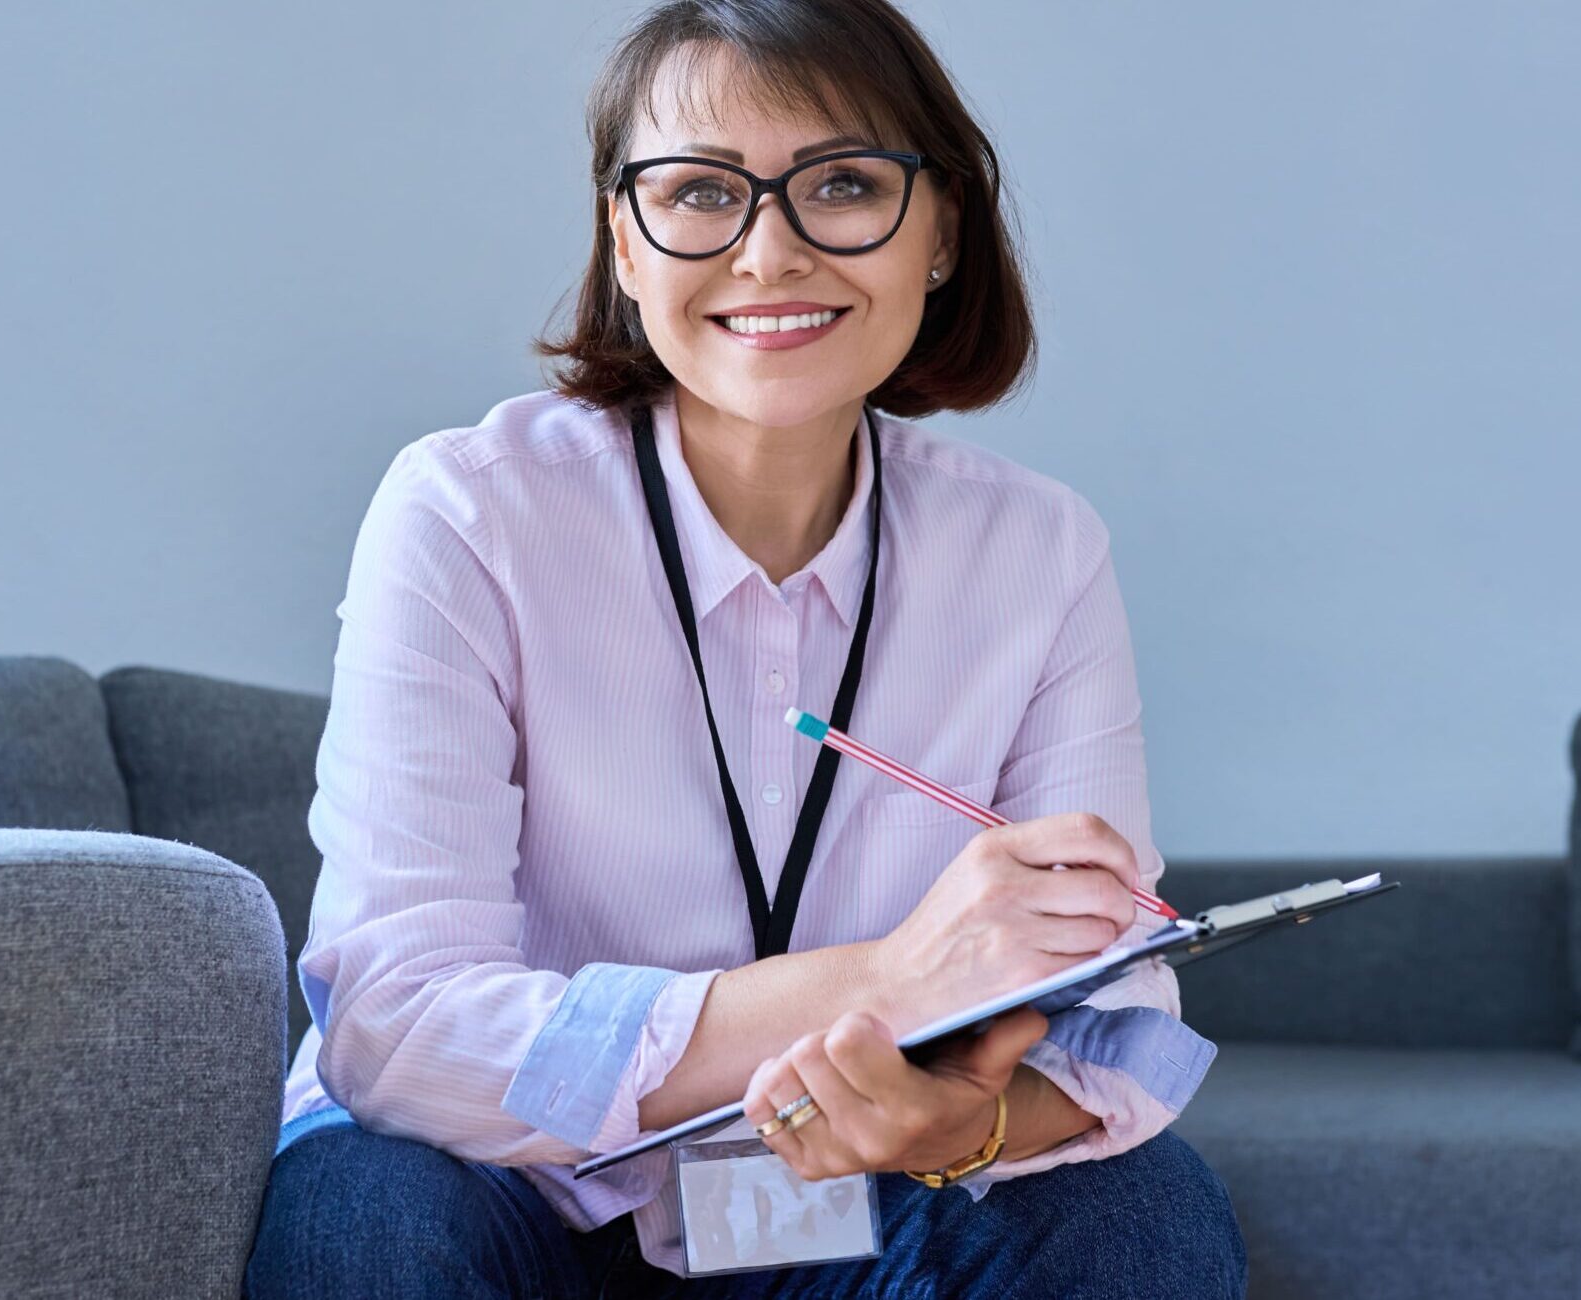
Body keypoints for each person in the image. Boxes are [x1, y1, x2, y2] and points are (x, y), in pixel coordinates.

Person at [243, 1, 1247, 1295]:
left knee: (1139, 1213)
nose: (770, 251)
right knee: (365, 1219)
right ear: (625, 238)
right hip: (500, 1184)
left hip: (845, 1191)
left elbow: (1116, 1028)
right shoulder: (469, 511)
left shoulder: (1036, 553)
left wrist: (965, 1123)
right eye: (703, 193)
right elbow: (399, 1032)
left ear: (942, 229)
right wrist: (886, 982)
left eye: (841, 184)